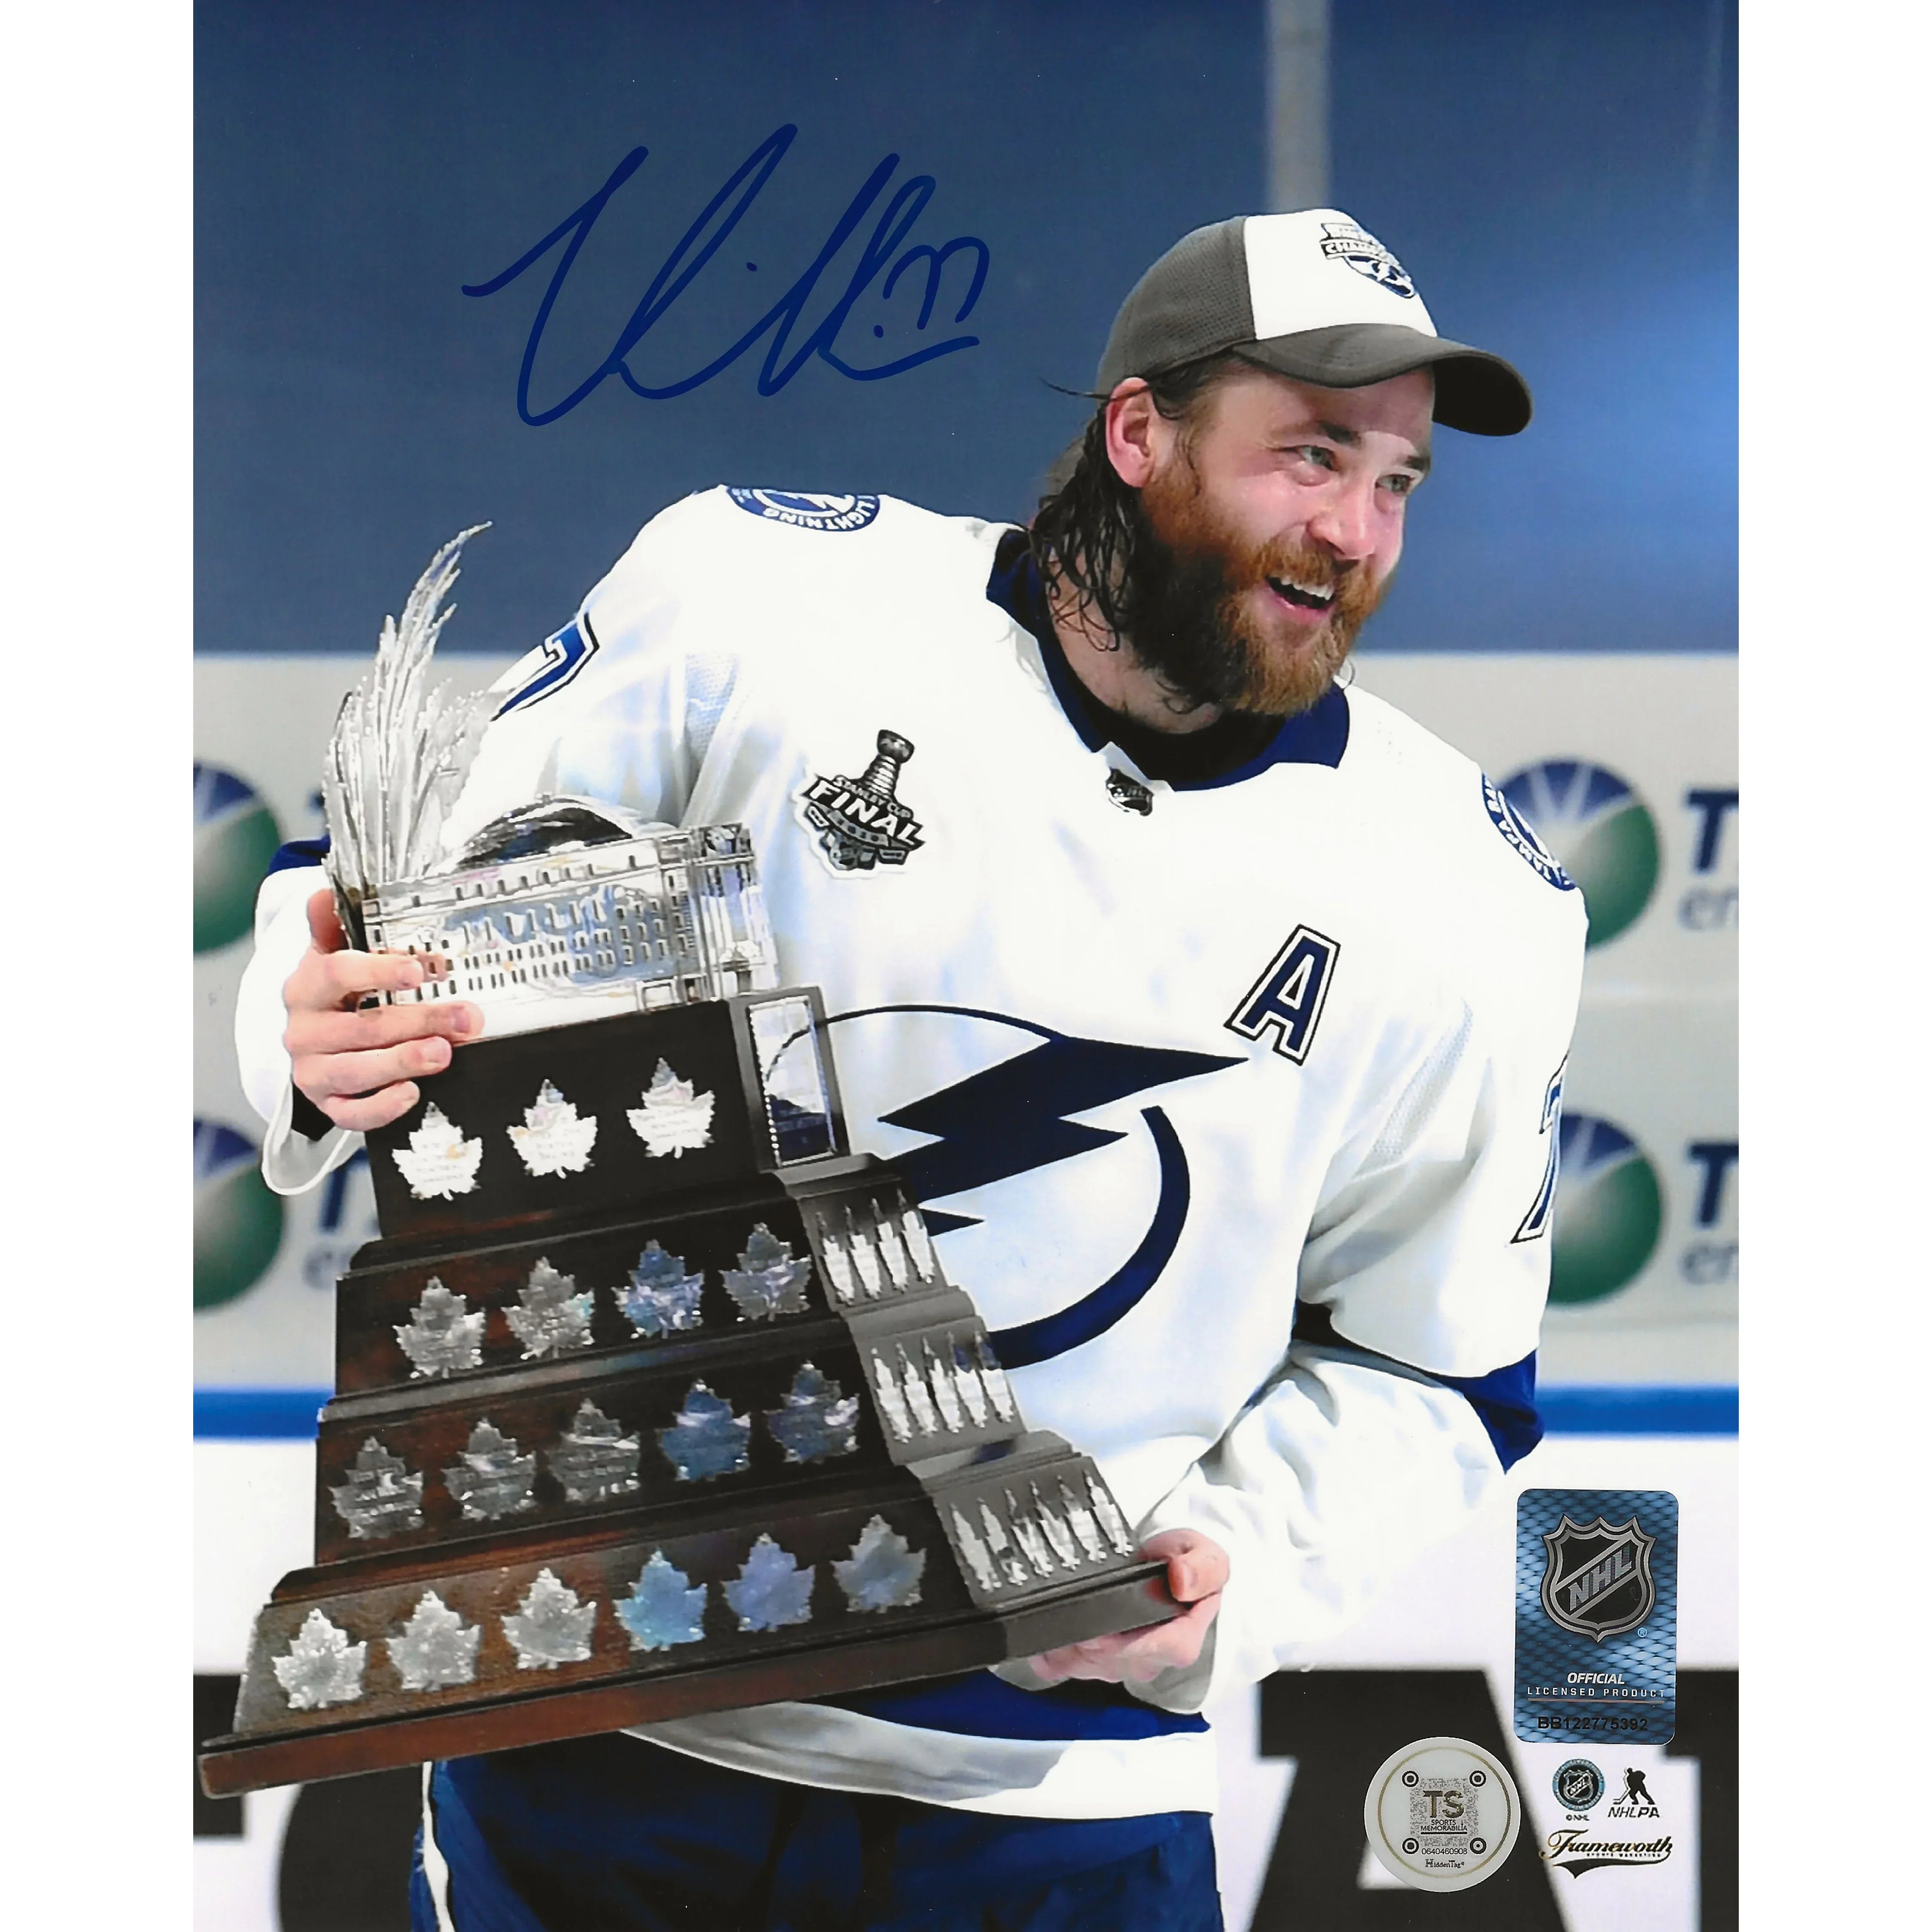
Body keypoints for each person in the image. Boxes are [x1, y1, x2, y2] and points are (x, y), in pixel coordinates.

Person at [237, 209, 1586, 1930]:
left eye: (1397, 483)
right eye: (1310, 455)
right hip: (607, 1728)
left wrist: (1235, 1574)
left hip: (1053, 1810)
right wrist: (317, 1012)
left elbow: (1445, 1374)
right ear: (1136, 432)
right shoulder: (758, 599)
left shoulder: (1469, 897)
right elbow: (391, 900)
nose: (1353, 530)